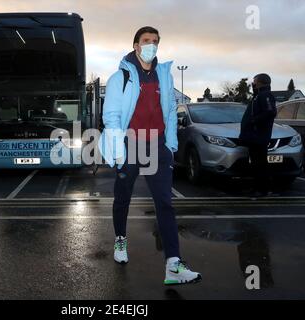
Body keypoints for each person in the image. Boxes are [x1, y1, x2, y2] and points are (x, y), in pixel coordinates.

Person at [98, 26, 201, 285]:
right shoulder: (119, 77)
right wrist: (119, 151)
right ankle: (120, 241)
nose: (151, 45)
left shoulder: (164, 76)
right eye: (146, 41)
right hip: (130, 144)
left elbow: (169, 111)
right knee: (123, 197)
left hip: (158, 147)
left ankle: (173, 265)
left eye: (155, 41)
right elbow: (110, 116)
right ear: (135, 45)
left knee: (165, 203)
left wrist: (171, 144)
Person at [239, 73, 277, 197]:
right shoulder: (258, 95)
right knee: (256, 163)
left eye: (254, 81)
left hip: (259, 137)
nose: (253, 84)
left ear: (260, 82)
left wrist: (253, 120)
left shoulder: (265, 95)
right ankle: (257, 188)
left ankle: (263, 189)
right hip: (253, 137)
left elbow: (270, 112)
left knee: (260, 164)